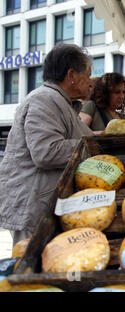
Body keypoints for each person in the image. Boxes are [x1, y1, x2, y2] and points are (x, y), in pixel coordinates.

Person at [0, 43, 94, 246]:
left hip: (43, 203)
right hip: (33, 206)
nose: (90, 82)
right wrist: (94, 146)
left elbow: (82, 136)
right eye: (88, 75)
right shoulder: (44, 100)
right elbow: (47, 152)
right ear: (72, 76)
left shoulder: (61, 102)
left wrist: (104, 136)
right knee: (32, 269)